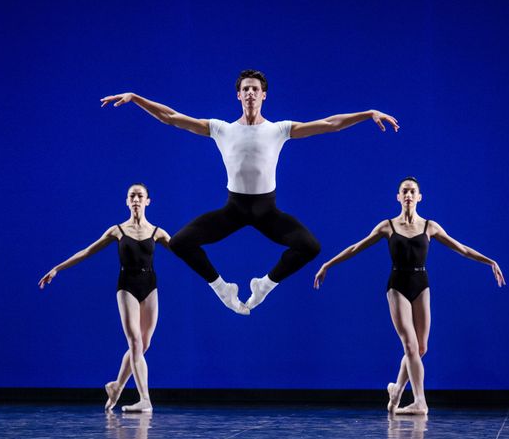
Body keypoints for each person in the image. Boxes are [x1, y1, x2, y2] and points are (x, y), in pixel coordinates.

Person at [101, 70, 399, 314]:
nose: (251, 93)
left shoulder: (279, 129)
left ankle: (263, 286)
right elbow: (172, 117)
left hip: (266, 210)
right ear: (238, 95)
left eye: (256, 89)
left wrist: (367, 113)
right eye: (246, 89)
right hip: (234, 209)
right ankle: (222, 288)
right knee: (180, 243)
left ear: (264, 95)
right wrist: (137, 98)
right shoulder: (221, 129)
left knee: (310, 246)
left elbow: (329, 124)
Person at [314, 177, 505, 415]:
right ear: (398, 196)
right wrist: (327, 265)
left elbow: (462, 248)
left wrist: (490, 262)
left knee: (420, 348)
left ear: (419, 197)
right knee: (410, 345)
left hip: (420, 284)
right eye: (404, 191)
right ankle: (419, 401)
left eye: (412, 191)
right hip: (397, 285)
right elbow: (356, 247)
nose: (408, 195)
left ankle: (395, 391)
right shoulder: (387, 226)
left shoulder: (430, 227)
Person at [39, 183, 171, 413]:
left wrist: (214, 279)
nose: (136, 200)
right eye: (132, 196)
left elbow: (185, 251)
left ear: (148, 201)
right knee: (135, 343)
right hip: (127, 287)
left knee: (144, 345)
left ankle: (117, 387)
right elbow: (87, 251)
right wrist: (57, 268)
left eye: (140, 196)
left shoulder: (157, 232)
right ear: (127, 201)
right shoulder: (117, 231)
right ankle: (145, 399)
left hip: (150, 286)